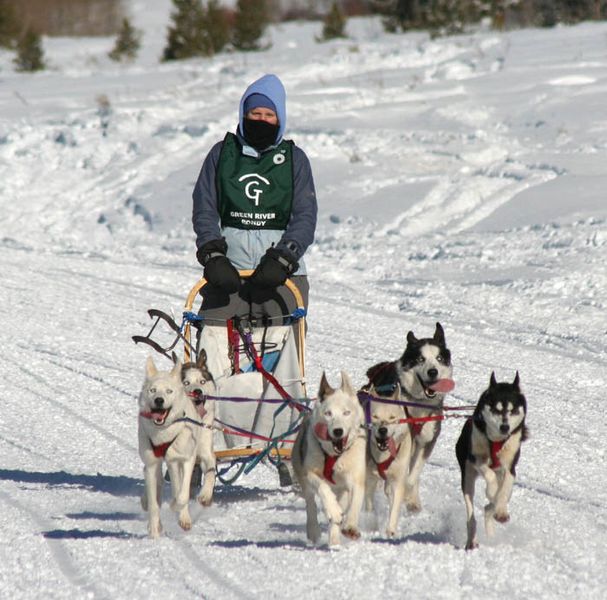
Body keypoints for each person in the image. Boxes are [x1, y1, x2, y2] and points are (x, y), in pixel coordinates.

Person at [192, 74, 318, 326]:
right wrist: (213, 255)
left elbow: (305, 216)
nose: (262, 120)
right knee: (213, 346)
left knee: (282, 356)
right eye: (255, 114)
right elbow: (204, 208)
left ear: (280, 118)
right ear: (243, 115)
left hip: (281, 275)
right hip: (228, 273)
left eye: (269, 115)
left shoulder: (295, 159)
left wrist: (284, 258)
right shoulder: (222, 154)